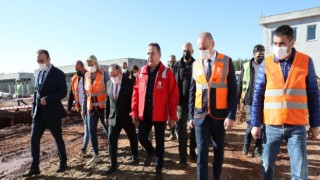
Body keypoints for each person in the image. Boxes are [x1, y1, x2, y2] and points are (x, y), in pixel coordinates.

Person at [251, 25, 320, 180]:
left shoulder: (305, 61)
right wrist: (256, 123)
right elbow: (258, 94)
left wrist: (315, 125)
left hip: (296, 127)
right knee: (267, 165)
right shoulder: (267, 63)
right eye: (275, 43)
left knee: (300, 171)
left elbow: (314, 94)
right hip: (272, 126)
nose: (277, 47)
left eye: (281, 44)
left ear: (292, 43)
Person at [189, 32, 237, 180]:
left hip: (220, 116)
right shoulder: (196, 64)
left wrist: (231, 115)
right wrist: (190, 116)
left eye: (204, 47)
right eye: (199, 48)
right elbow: (192, 91)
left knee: (218, 151)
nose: (202, 51)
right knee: (202, 153)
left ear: (213, 44)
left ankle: (216, 177)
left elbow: (233, 90)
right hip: (200, 116)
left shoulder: (227, 61)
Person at [130, 43, 179, 179]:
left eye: (152, 53)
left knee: (160, 142)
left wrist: (173, 116)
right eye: (148, 53)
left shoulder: (167, 72)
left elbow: (173, 96)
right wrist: (134, 112)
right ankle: (150, 152)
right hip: (144, 113)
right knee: (141, 137)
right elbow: (136, 93)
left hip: (160, 114)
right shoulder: (141, 72)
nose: (149, 56)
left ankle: (158, 168)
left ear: (159, 55)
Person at [23, 49, 68, 177]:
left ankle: (63, 162)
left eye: (42, 60)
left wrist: (48, 99)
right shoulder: (37, 73)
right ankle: (35, 166)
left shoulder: (58, 73)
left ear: (48, 59)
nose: (40, 63)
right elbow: (36, 93)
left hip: (53, 113)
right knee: (34, 138)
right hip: (38, 114)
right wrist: (33, 109)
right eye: (38, 61)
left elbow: (63, 92)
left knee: (57, 138)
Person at [104, 64, 138, 174]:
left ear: (119, 73)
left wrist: (134, 115)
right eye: (110, 75)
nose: (112, 77)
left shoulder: (129, 83)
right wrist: (106, 116)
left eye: (114, 75)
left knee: (132, 137)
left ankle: (134, 155)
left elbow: (134, 101)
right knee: (111, 141)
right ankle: (113, 165)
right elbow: (107, 102)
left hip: (127, 117)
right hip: (113, 118)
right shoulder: (109, 83)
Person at [237, 44, 265, 159]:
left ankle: (257, 149)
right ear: (254, 54)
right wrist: (238, 99)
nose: (261, 57)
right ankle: (246, 145)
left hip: (263, 100)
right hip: (250, 99)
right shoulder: (246, 66)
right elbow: (240, 83)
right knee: (251, 124)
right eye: (259, 55)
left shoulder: (267, 65)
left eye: (263, 55)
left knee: (261, 125)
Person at [173, 42, 196, 167]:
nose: (185, 52)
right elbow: (172, 85)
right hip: (181, 104)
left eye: (188, 50)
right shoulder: (177, 66)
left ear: (192, 51)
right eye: (184, 50)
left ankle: (192, 151)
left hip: (195, 104)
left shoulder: (197, 65)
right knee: (181, 130)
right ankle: (183, 158)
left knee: (194, 130)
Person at [83, 55, 109, 166]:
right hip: (91, 109)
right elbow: (86, 93)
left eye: (92, 64)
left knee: (108, 130)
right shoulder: (86, 75)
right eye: (88, 65)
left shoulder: (104, 74)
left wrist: (110, 108)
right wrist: (84, 108)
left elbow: (110, 90)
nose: (90, 66)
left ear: (96, 64)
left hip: (103, 108)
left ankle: (113, 149)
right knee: (92, 131)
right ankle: (96, 155)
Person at [67, 60, 89, 157]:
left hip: (91, 107)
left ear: (82, 67)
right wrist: (69, 105)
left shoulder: (89, 75)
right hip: (81, 107)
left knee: (87, 127)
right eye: (75, 69)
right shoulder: (75, 78)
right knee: (88, 126)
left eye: (78, 68)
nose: (76, 70)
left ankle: (84, 147)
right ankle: (111, 139)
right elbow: (72, 92)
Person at [168, 54, 177, 140]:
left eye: (173, 61)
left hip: (176, 95)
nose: (172, 63)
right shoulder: (166, 71)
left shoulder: (178, 69)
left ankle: (176, 131)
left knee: (176, 115)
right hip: (168, 96)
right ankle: (172, 132)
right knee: (169, 116)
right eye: (170, 61)